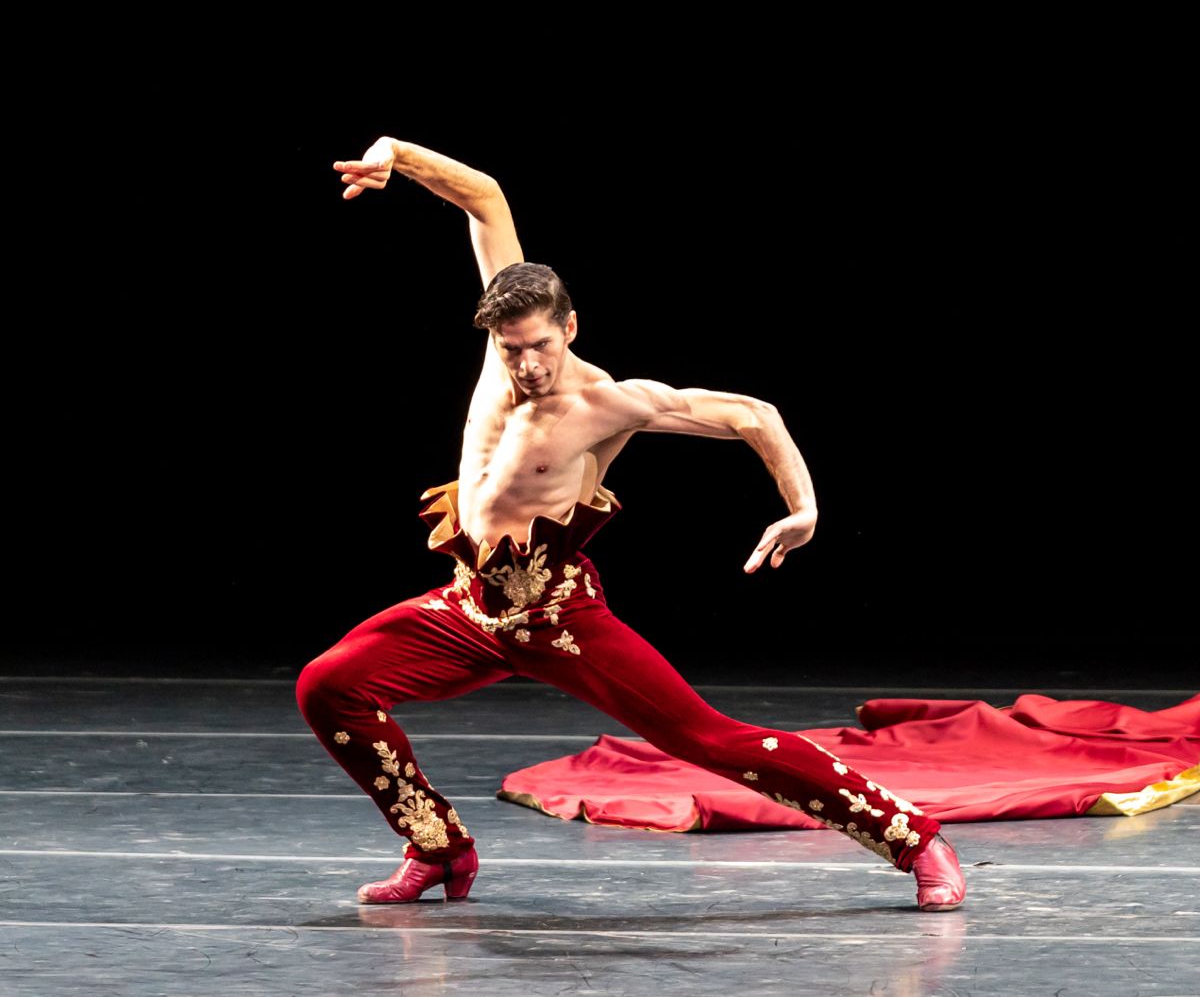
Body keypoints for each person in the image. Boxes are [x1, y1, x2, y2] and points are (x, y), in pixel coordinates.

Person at [295, 137, 966, 910]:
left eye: (541, 346)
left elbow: (754, 414)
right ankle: (438, 846)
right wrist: (395, 153)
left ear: (570, 328)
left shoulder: (608, 403)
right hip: (469, 605)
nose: (528, 366)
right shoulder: (504, 341)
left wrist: (803, 508)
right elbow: (485, 196)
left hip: (558, 615)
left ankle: (914, 836)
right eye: (513, 350)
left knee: (709, 740)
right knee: (328, 685)